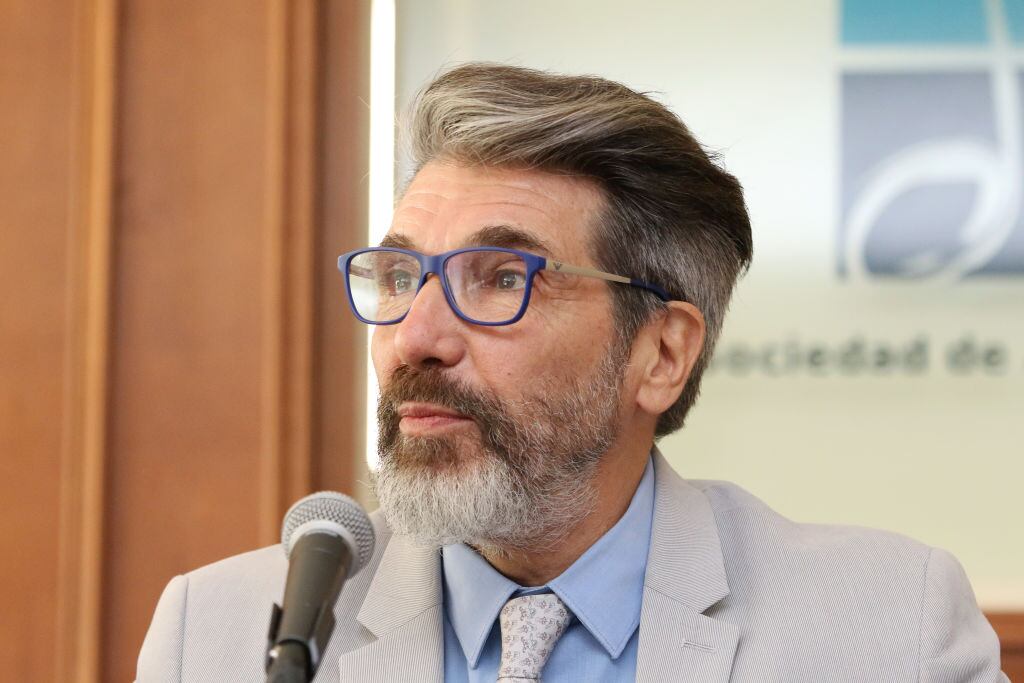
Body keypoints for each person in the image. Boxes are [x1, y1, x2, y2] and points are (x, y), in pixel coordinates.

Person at [136, 63, 1007, 682]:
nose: (416, 336)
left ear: (660, 353)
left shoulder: (890, 632)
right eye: (402, 277)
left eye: (503, 278)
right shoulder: (216, 638)